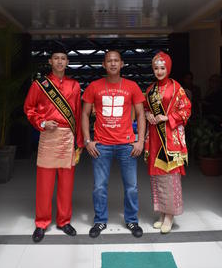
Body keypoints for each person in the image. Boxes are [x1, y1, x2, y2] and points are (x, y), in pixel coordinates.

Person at [82, 50, 146, 238]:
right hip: (102, 144)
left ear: (122, 63)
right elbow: (84, 114)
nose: (112, 63)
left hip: (127, 144)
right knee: (99, 186)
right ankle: (100, 221)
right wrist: (87, 141)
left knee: (131, 186)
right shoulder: (94, 87)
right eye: (109, 61)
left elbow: (141, 114)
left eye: (116, 60)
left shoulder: (132, 86)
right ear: (103, 64)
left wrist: (140, 140)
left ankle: (132, 220)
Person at [24, 46, 83, 243]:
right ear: (50, 61)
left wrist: (79, 142)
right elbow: (29, 108)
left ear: (67, 62)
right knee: (44, 184)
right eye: (56, 58)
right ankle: (41, 223)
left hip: (68, 137)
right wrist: (41, 122)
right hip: (48, 136)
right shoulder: (40, 85)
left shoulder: (74, 85)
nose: (59, 61)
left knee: (67, 184)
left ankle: (64, 221)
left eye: (63, 58)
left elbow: (77, 113)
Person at [144, 51, 191, 234]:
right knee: (157, 175)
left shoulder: (176, 88)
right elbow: (146, 108)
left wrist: (167, 117)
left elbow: (186, 109)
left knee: (170, 176)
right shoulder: (150, 90)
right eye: (156, 68)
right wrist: (149, 115)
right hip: (155, 137)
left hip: (170, 137)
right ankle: (162, 213)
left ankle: (170, 216)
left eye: (162, 68)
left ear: (168, 68)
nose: (159, 71)